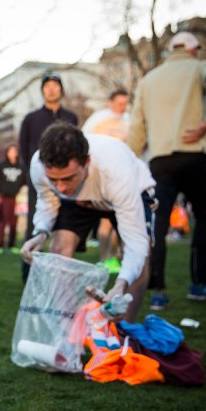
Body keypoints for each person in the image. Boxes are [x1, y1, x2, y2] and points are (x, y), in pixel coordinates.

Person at [127, 31, 206, 309]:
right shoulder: (199, 68)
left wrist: (131, 159)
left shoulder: (149, 80)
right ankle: (199, 283)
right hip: (193, 155)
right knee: (205, 217)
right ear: (194, 49)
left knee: (158, 224)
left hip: (160, 160)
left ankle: (158, 289)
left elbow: (136, 125)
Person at [20, 122, 155, 323]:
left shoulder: (116, 169)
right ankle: (64, 327)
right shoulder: (38, 167)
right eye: (54, 180)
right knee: (59, 248)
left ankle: (123, 330)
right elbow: (48, 202)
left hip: (127, 191)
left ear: (87, 162)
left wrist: (120, 284)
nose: (61, 187)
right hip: (80, 201)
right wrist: (41, 232)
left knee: (140, 261)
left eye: (68, 178)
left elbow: (136, 241)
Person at [18, 72, 78, 281]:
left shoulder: (70, 118)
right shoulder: (31, 119)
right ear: (42, 90)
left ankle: (59, 270)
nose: (51, 89)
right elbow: (23, 149)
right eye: (47, 86)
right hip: (39, 180)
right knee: (35, 223)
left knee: (64, 223)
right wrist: (32, 174)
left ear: (61, 89)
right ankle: (29, 271)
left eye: (55, 85)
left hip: (68, 180)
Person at [82, 89, 131, 273]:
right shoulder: (98, 118)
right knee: (105, 219)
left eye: (125, 103)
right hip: (102, 175)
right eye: (119, 103)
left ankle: (121, 256)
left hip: (123, 176)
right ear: (110, 102)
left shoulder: (129, 120)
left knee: (123, 217)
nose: (122, 107)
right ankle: (106, 258)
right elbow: (83, 141)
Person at [0, 144, 27, 254]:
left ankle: (12, 244)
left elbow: (24, 182)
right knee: (2, 221)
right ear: (7, 152)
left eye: (15, 151)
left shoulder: (21, 167)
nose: (13, 153)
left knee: (14, 222)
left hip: (16, 198)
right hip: (4, 197)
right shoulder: (0, 166)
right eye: (10, 151)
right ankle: (0, 245)